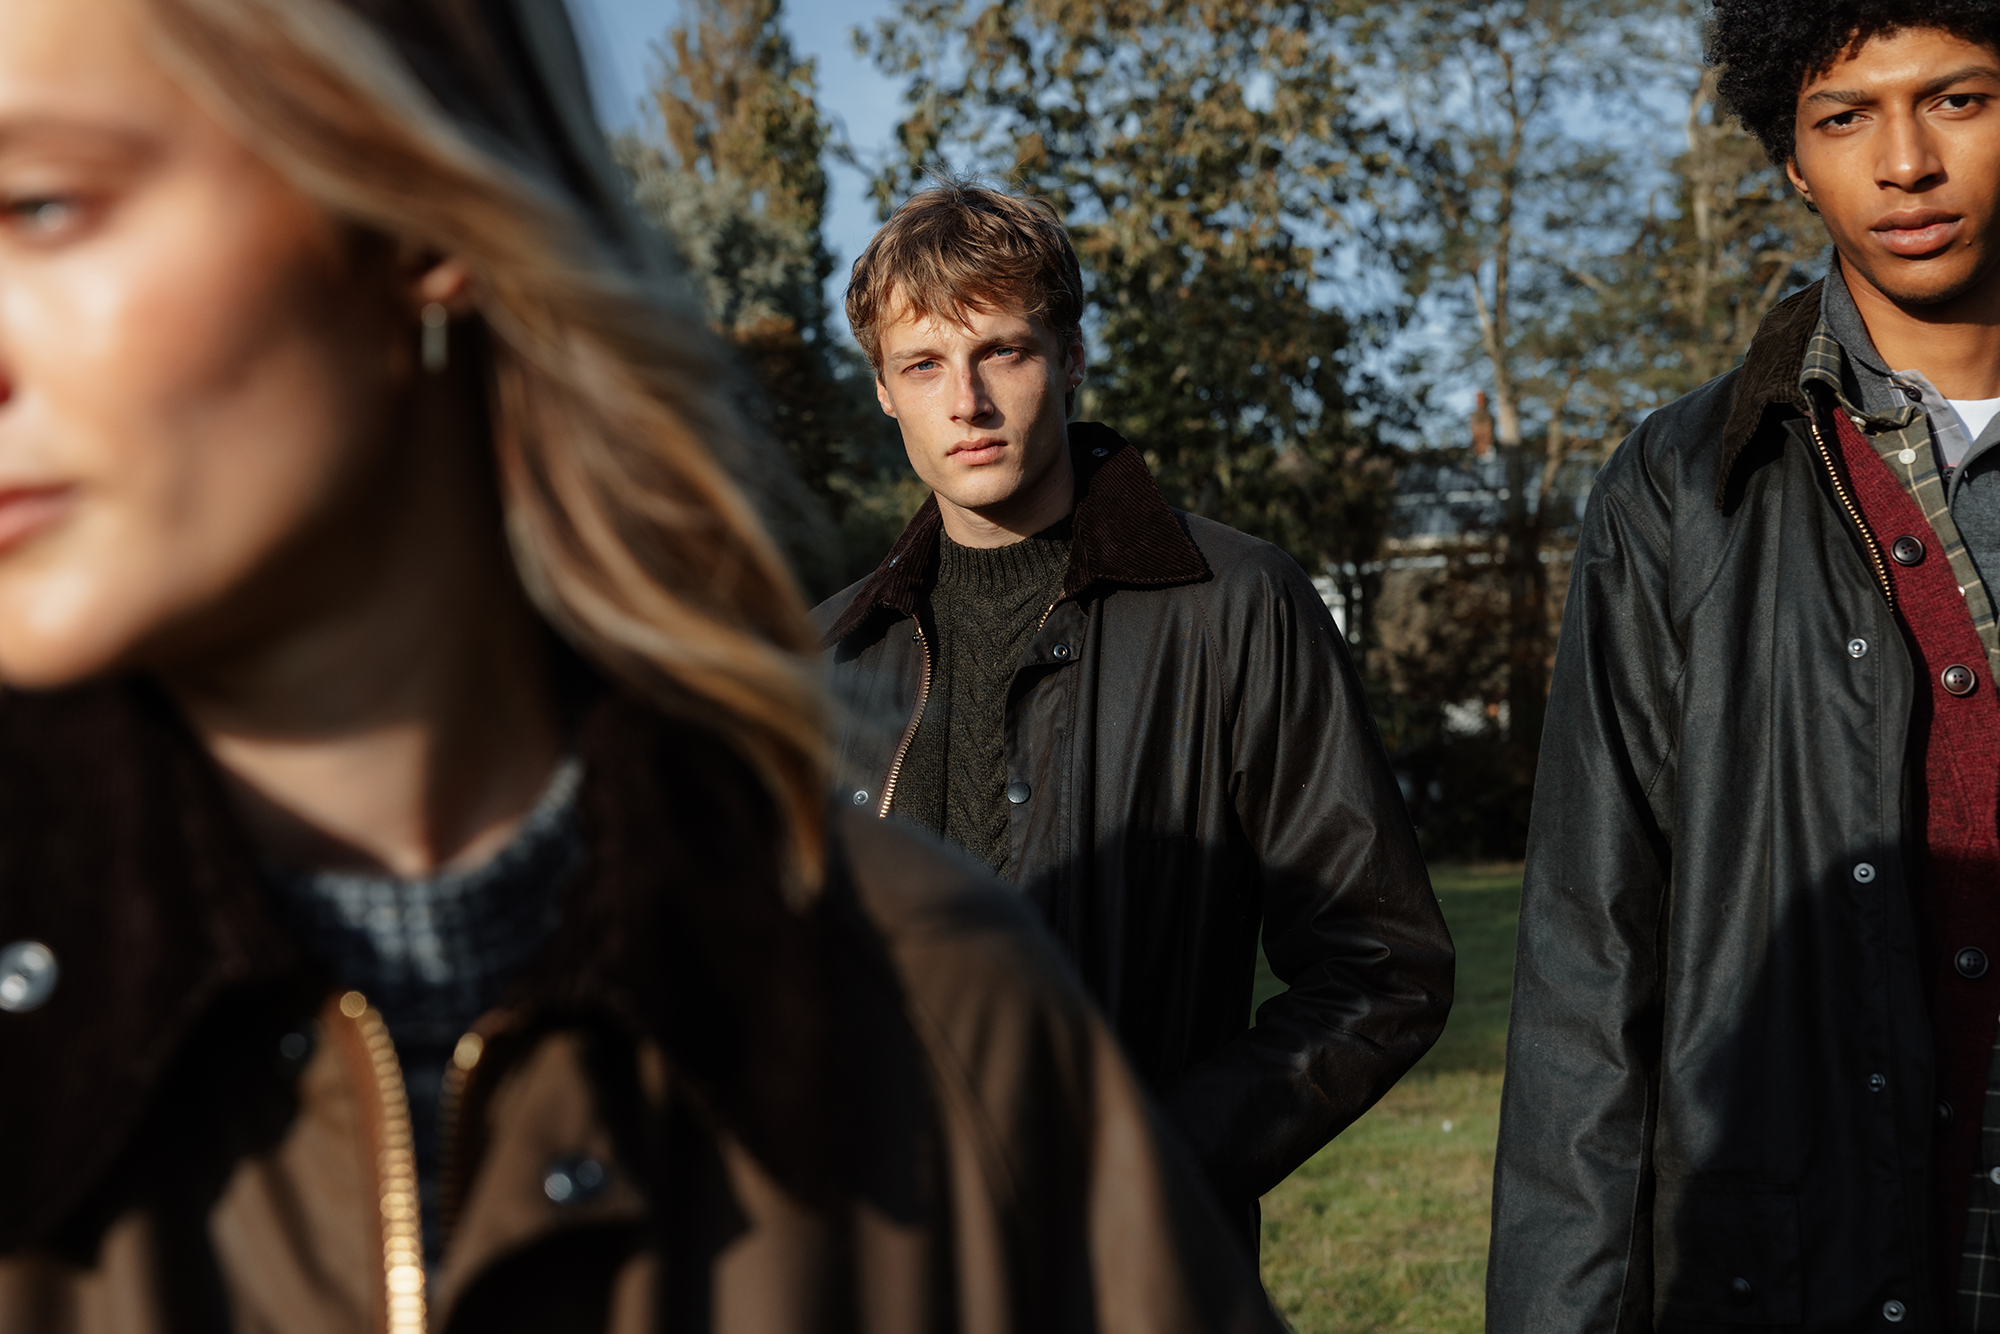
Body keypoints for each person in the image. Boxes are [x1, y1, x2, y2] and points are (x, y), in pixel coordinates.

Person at [0, 1, 1282, 1330]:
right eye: (924, 363)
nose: (966, 398)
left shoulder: (940, 1007)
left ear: (424, 202)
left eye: (40, 207)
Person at [814, 182, 1455, 1255]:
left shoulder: (1234, 603)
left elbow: (1382, 963)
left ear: (1067, 359)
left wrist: (1143, 1165)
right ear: (883, 390)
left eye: (1002, 352)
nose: (964, 401)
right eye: (924, 364)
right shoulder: (822, 656)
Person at [1488, 4, 2000, 1329]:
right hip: (1796, 1273)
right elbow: (1588, 970)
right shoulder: (1676, 494)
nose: (1903, 164)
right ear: (1789, 155)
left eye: (1956, 100)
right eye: (1845, 117)